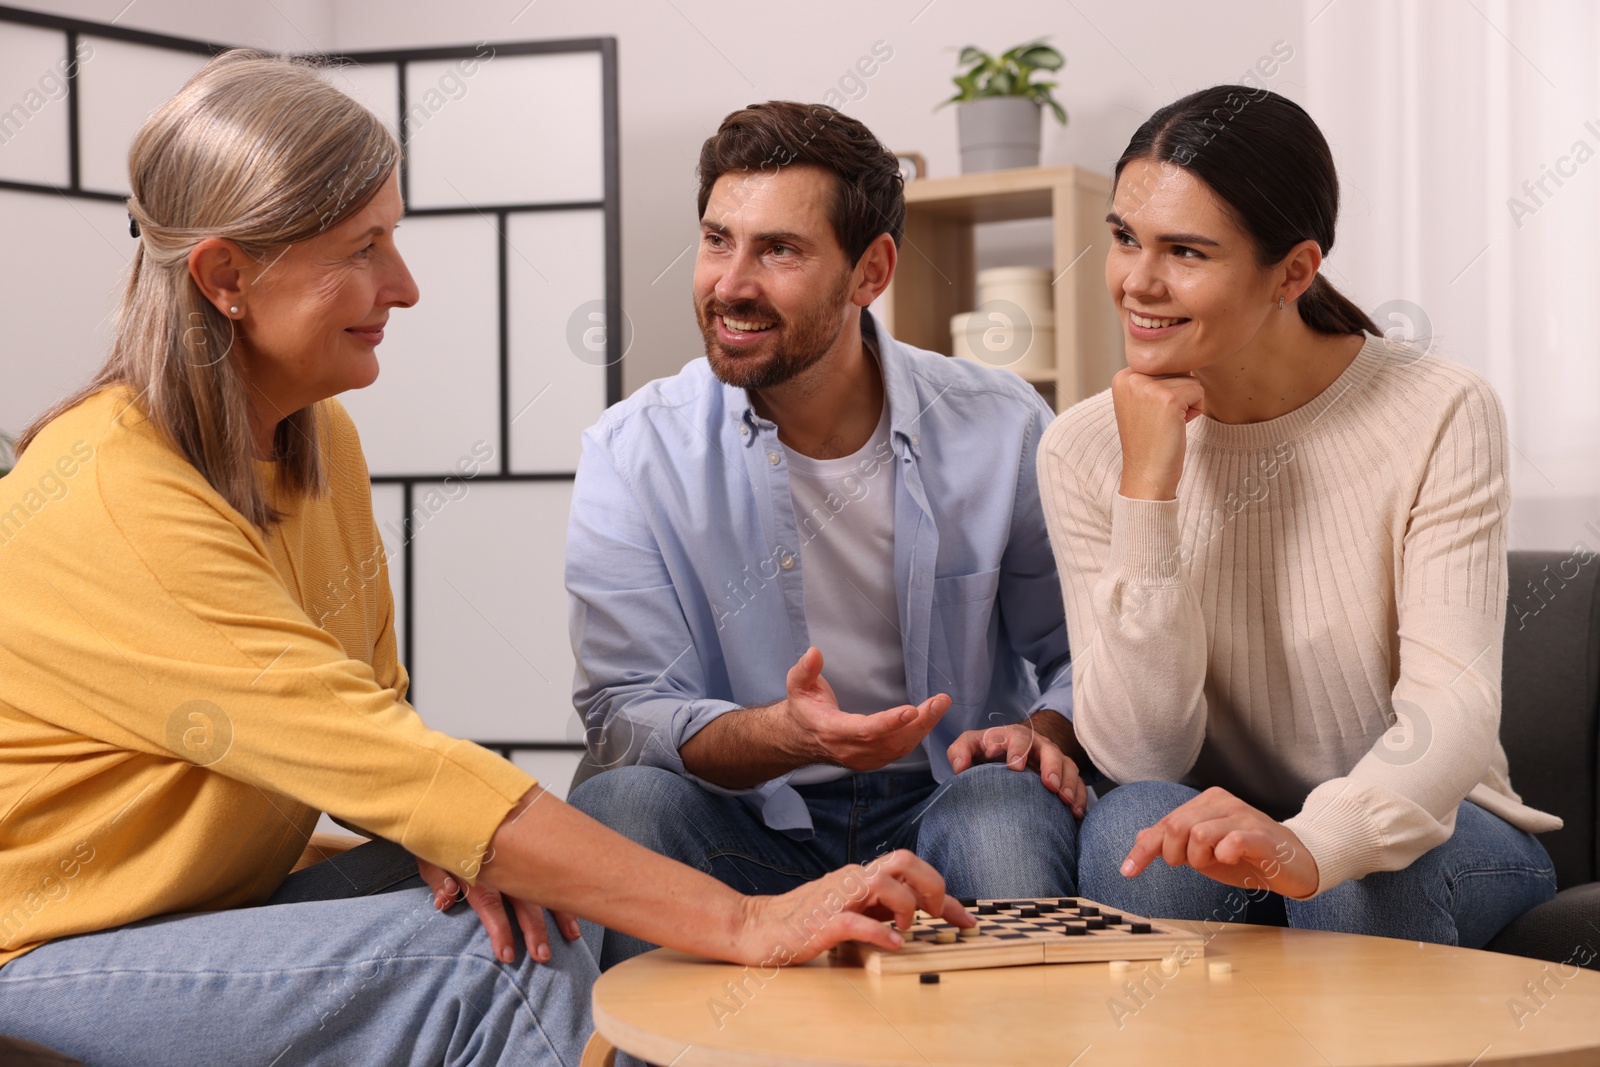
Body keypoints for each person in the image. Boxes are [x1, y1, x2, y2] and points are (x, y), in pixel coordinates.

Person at [0, 52, 971, 1066]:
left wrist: (475, 841)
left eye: (396, 238)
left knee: (554, 894)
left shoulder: (313, 436)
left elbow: (376, 724)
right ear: (226, 276)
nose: (404, 285)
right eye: (362, 248)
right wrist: (745, 920)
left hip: (206, 905)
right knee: (500, 955)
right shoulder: (116, 493)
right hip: (48, 950)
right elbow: (386, 761)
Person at [565, 101, 1084, 972]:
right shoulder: (633, 451)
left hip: (947, 792)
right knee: (624, 805)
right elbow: (623, 714)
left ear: (869, 270)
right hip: (741, 815)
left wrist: (1045, 729)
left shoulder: (1002, 426)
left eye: (779, 250)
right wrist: (787, 733)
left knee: (1008, 812)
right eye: (718, 239)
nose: (731, 282)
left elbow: (1077, 651)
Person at [1038, 85, 1560, 946]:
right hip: (1220, 817)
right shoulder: (1085, 447)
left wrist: (1311, 843)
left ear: (1293, 270)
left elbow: (1452, 708)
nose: (1138, 280)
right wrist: (1148, 491)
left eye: (1187, 252)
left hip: (1435, 825)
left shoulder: (1439, 409)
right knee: (1132, 834)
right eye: (1126, 237)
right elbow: (1143, 754)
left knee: (1348, 893)